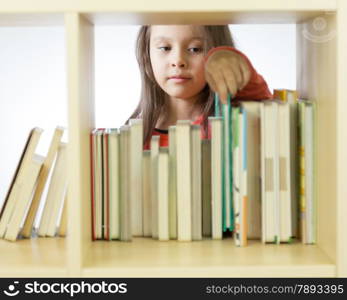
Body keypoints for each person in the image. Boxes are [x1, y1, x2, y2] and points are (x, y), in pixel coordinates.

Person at [126, 25, 272, 149]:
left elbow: (257, 95)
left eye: (195, 49)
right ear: (147, 54)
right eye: (165, 48)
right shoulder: (133, 137)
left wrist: (230, 59)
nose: (178, 61)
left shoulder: (231, 120)